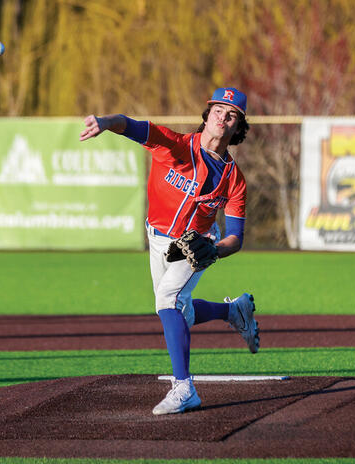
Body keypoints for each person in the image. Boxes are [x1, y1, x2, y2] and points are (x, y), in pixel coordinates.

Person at [79, 87, 260, 415]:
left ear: (238, 127)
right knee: (182, 313)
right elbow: (129, 124)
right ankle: (233, 312)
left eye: (231, 114)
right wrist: (104, 123)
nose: (223, 117)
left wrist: (213, 250)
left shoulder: (234, 180)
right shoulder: (173, 144)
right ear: (207, 116)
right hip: (157, 239)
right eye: (219, 110)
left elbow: (236, 238)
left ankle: (184, 388)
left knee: (167, 302)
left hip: (196, 244)